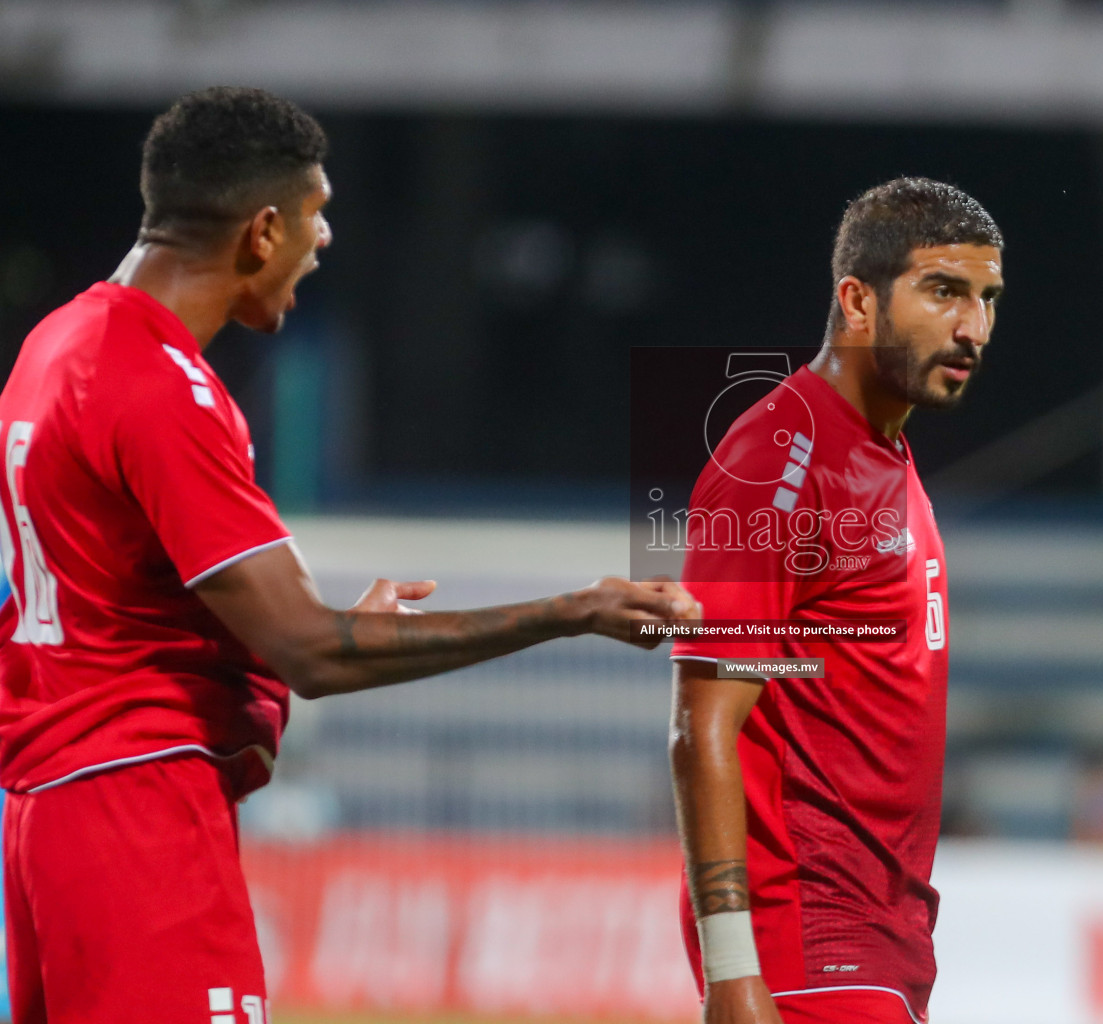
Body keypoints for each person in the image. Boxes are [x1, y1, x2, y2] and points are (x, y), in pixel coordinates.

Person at [0, 86, 696, 1024]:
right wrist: (572, 610)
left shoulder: (60, 344)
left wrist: (310, 629)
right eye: (317, 218)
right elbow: (313, 653)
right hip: (139, 812)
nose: (323, 242)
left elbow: (122, 593)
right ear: (262, 230)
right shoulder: (162, 387)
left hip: (54, 812)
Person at [668, 177, 1004, 1024]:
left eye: (987, 299)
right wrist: (733, 971)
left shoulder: (883, 452)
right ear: (857, 300)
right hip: (810, 938)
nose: (973, 328)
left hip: (882, 935)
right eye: (944, 292)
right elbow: (700, 724)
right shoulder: (777, 462)